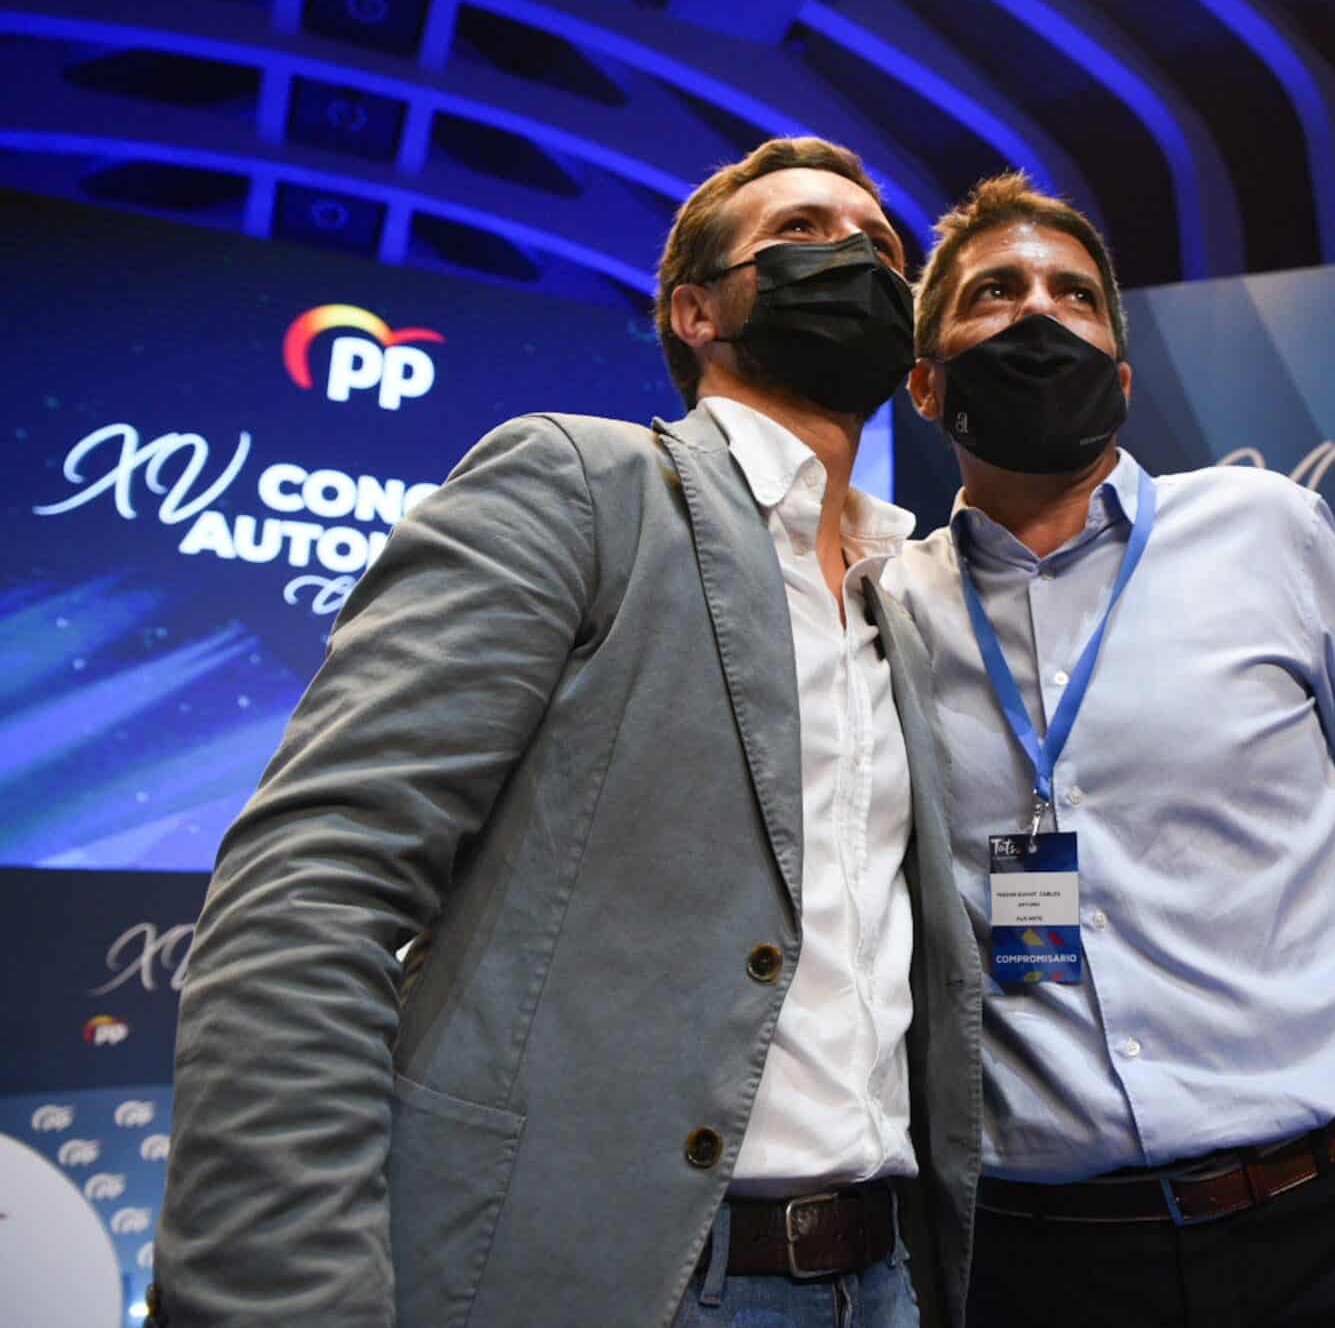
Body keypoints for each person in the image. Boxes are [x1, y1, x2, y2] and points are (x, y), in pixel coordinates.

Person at [149, 138, 981, 1328]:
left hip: (880, 1281)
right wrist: (283, 1295)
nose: (849, 254)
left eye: (878, 248)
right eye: (800, 232)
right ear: (695, 309)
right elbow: (314, 883)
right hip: (609, 1281)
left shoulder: (901, 594)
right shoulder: (580, 484)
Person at [883, 171, 1335, 1328]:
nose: (1035, 315)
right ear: (924, 383)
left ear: (1119, 376)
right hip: (1055, 1263)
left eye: (1072, 293)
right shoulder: (887, 608)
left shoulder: (1262, 527)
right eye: (992, 294)